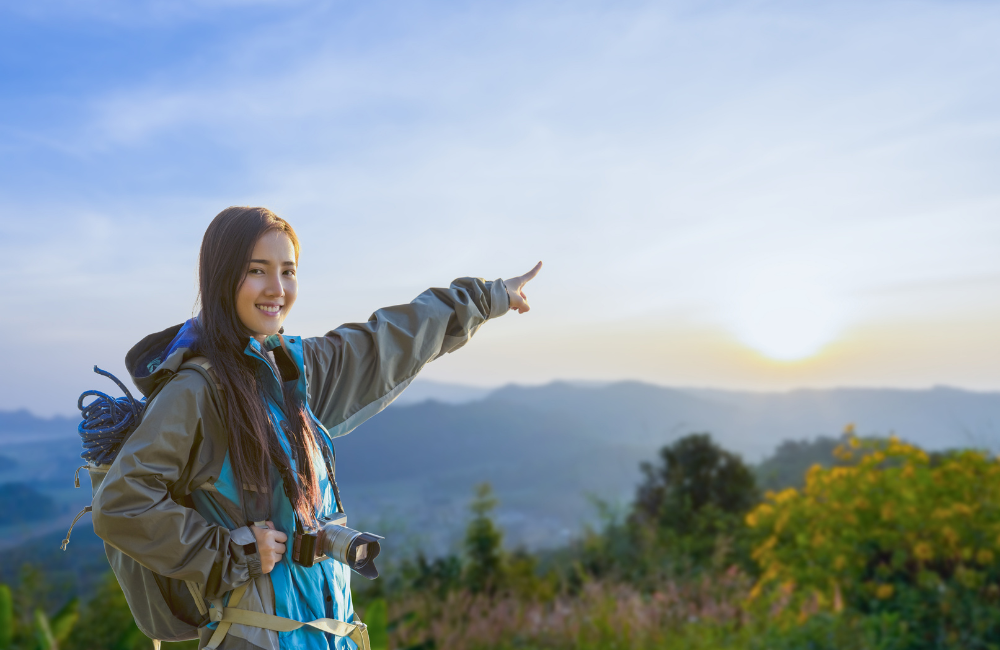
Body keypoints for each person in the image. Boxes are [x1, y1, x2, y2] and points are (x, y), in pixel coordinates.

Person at [92, 206, 541, 650]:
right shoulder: (196, 390)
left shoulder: (292, 371)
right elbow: (122, 502)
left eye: (288, 271)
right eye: (256, 270)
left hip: (328, 635)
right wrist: (230, 553)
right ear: (221, 278)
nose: (277, 289)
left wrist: (488, 297)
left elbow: (384, 342)